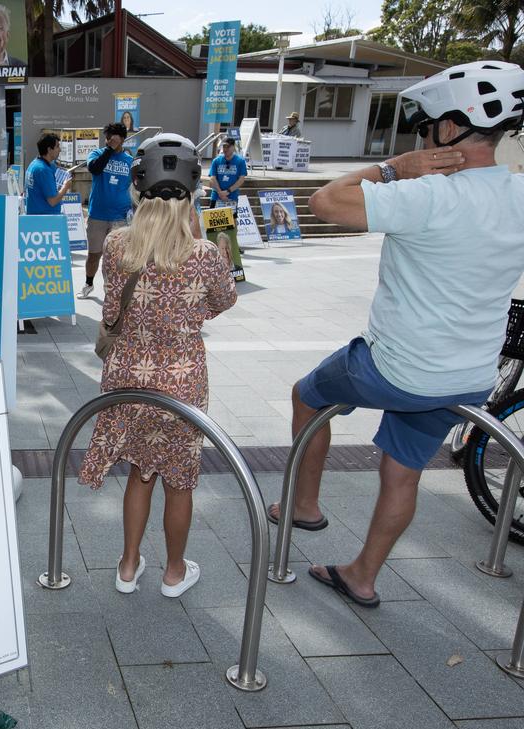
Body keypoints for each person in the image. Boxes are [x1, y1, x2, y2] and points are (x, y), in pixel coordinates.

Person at [274, 61, 524, 608]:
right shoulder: (519, 195)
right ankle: (362, 575)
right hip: (469, 375)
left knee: (307, 394)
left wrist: (394, 166)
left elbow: (323, 201)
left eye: (427, 124)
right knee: (401, 471)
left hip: (395, 367)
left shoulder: (430, 195)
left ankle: (304, 506)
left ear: (451, 130)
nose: (422, 135)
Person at [78, 133, 237, 597]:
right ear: (191, 194)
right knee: (180, 478)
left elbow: (111, 314)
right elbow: (221, 303)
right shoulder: (205, 255)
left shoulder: (116, 246)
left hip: (128, 379)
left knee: (140, 472)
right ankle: (172, 571)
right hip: (182, 387)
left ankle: (128, 566)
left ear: (138, 191)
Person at [79, 122, 133, 299]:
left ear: (122, 139)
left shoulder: (129, 161)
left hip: (120, 217)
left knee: (116, 258)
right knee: (94, 254)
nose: (109, 140)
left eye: (114, 137)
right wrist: (109, 150)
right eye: (107, 137)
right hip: (98, 215)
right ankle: (88, 283)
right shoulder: (97, 154)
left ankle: (113, 290)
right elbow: (94, 168)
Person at [24, 132, 72, 215]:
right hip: (45, 220)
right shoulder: (43, 170)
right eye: (57, 146)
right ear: (49, 149)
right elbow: (52, 201)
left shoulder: (34, 163)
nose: (60, 150)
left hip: (36, 216)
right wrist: (65, 187)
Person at [208, 137, 247, 208]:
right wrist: (220, 193)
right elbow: (212, 178)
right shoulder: (216, 161)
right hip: (216, 196)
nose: (225, 149)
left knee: (232, 219)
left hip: (231, 197)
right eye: (224, 146)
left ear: (233, 147)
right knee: (212, 219)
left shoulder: (240, 161)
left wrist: (227, 192)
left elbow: (241, 179)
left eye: (228, 146)